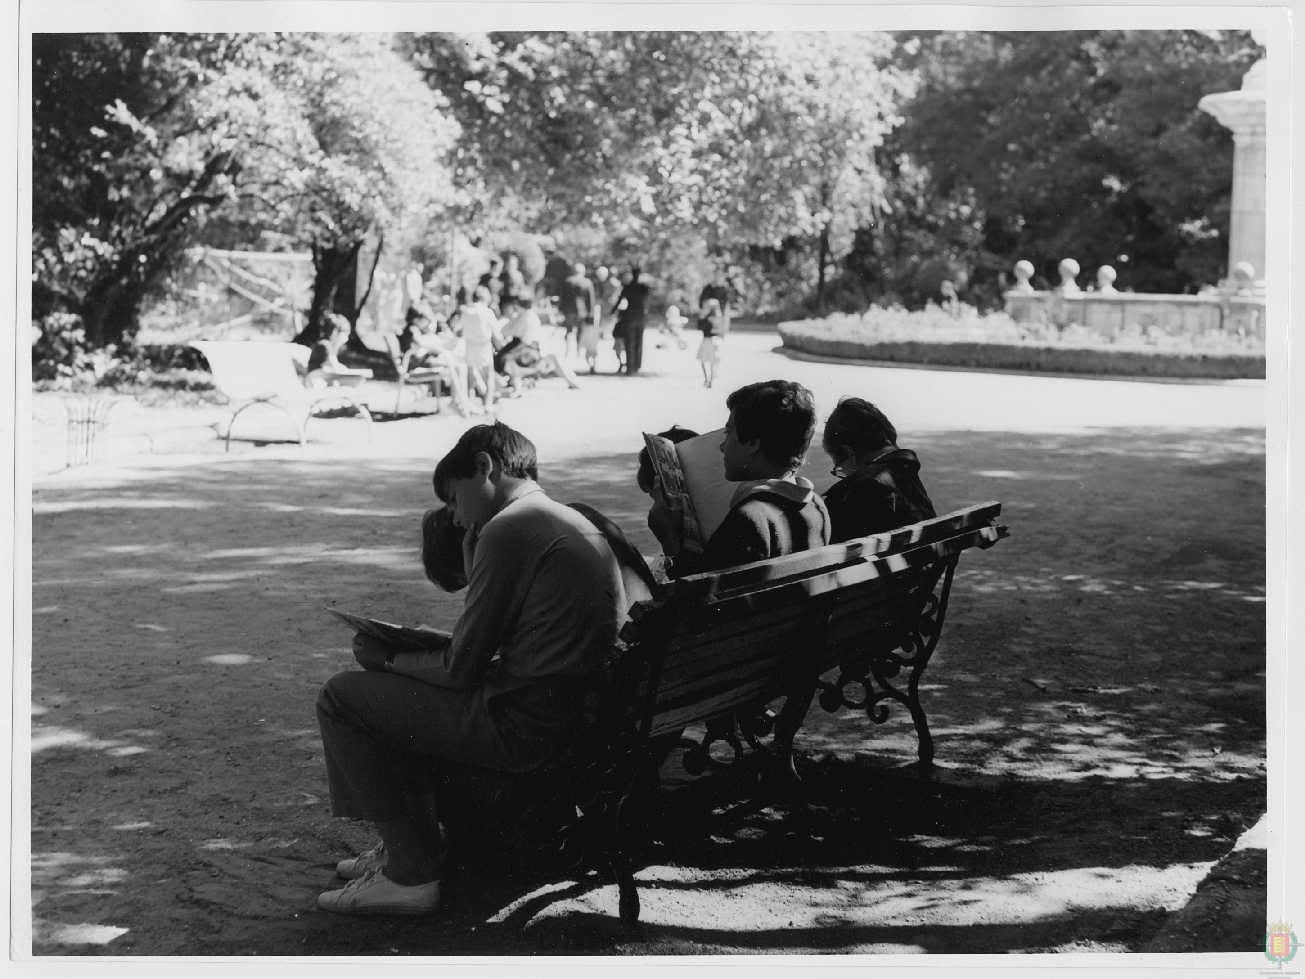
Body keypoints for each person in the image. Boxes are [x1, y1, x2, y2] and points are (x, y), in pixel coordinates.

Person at [315, 423, 629, 917]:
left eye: (456, 499)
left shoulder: (510, 527)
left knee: (343, 696)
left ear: (485, 467)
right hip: (570, 716)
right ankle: (407, 845)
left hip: (524, 727)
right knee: (392, 690)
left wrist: (389, 658)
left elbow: (461, 669)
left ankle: (411, 874)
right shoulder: (563, 518)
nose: (457, 518)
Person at [648, 380, 830, 578]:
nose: (722, 446)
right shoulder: (816, 506)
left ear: (753, 444)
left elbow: (696, 601)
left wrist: (670, 539)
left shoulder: (750, 519)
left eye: (728, 433)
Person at [821, 398, 936, 543]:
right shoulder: (907, 474)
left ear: (849, 452)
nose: (843, 475)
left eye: (840, 469)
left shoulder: (855, 491)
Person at [457, 286, 502, 408]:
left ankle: (470, 402)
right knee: (489, 376)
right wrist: (500, 347)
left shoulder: (467, 311)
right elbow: (496, 333)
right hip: (484, 346)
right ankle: (488, 404)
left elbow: (459, 328)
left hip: (470, 346)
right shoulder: (487, 312)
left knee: (471, 376)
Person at [305, 314, 372, 388]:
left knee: (359, 379)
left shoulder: (329, 347)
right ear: (335, 332)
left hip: (324, 377)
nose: (346, 339)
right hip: (316, 378)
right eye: (345, 335)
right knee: (358, 379)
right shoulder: (324, 345)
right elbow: (329, 367)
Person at [557, 262, 597, 364]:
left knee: (569, 330)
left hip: (569, 311)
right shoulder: (587, 282)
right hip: (582, 312)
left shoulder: (567, 281)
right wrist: (591, 313)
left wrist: (560, 310)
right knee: (580, 331)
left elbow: (562, 298)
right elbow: (590, 300)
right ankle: (578, 350)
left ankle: (568, 350)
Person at [615, 266, 650, 375]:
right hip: (640, 316)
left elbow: (619, 301)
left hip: (630, 316)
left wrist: (613, 311)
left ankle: (631, 367)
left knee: (630, 341)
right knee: (638, 342)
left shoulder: (628, 287)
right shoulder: (643, 288)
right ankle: (635, 366)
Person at [695, 297, 727, 389]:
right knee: (713, 362)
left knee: (704, 361)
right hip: (715, 340)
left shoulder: (709, 317)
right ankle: (710, 380)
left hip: (708, 340)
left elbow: (700, 327)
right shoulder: (719, 316)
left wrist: (702, 318)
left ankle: (707, 380)